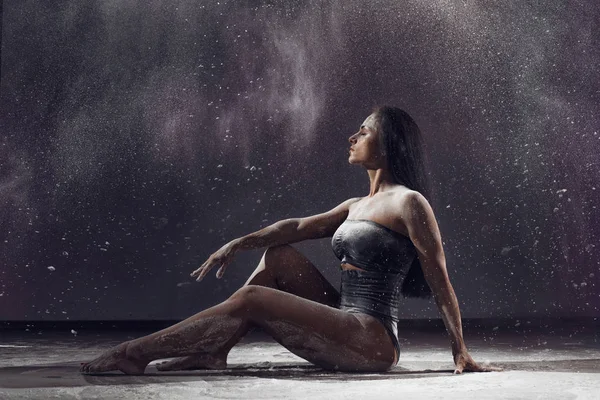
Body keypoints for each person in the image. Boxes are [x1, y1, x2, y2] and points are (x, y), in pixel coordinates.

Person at [80, 106, 501, 375]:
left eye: (363, 130)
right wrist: (237, 243)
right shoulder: (356, 204)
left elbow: (439, 277)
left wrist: (459, 350)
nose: (352, 138)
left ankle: (134, 352)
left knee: (252, 300)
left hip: (371, 340)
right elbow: (297, 228)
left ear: (387, 143)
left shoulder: (409, 203)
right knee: (278, 257)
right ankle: (214, 350)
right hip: (343, 317)